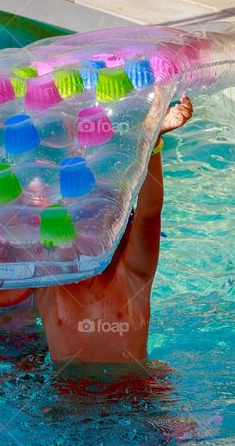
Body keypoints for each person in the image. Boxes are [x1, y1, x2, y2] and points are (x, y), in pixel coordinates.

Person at [33, 96, 194, 364]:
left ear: (120, 226)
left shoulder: (133, 273)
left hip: (135, 393)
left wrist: (152, 141)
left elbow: (149, 212)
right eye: (82, 219)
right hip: (69, 398)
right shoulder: (50, 278)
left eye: (102, 219)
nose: (92, 230)